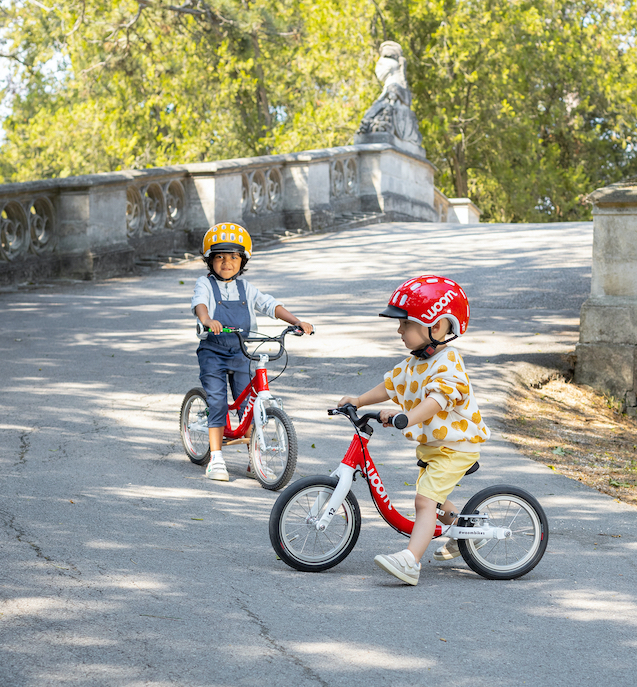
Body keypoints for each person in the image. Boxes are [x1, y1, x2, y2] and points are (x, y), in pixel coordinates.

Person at [337, 276, 490, 585]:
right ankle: (470, 531)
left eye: (406, 324)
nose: (399, 330)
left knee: (424, 502)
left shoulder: (449, 364)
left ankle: (410, 561)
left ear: (437, 326)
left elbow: (437, 401)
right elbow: (390, 385)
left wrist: (406, 417)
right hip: (435, 446)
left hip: (456, 446)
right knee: (434, 500)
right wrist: (359, 400)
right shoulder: (414, 363)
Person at [191, 222, 313, 482]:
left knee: (248, 403)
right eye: (220, 257)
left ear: (242, 260)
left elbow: (269, 305)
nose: (227, 263)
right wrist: (207, 320)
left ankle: (253, 458)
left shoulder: (246, 288)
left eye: (233, 257)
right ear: (210, 260)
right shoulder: (205, 284)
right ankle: (216, 458)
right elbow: (200, 304)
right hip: (213, 352)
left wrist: (296, 322)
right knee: (217, 401)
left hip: (240, 352)